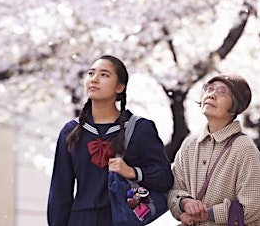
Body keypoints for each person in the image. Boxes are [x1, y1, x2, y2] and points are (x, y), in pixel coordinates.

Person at [47, 55, 173, 226]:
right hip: (81, 220)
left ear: (120, 87)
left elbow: (165, 177)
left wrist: (133, 172)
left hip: (124, 218)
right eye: (91, 73)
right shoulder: (71, 131)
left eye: (104, 75)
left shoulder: (140, 128)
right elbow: (60, 192)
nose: (94, 79)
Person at [168, 73, 260, 226]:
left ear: (235, 107)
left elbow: (254, 205)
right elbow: (174, 189)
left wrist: (207, 214)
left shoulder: (243, 147)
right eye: (209, 89)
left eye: (222, 92)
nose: (211, 95)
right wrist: (184, 203)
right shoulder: (189, 144)